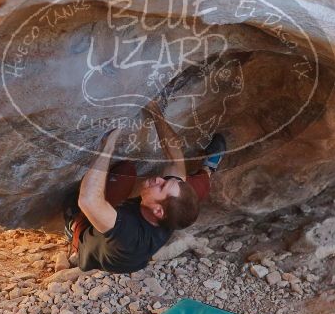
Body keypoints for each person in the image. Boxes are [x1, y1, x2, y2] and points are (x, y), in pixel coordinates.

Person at [63, 101, 226, 274]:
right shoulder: (173, 211)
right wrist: (154, 109)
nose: (158, 179)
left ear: (158, 211)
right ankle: (208, 170)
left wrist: (108, 146)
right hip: (138, 226)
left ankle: (73, 234)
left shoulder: (130, 235)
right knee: (195, 186)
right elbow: (175, 156)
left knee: (119, 175)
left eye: (162, 186)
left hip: (99, 249)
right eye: (166, 181)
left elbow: (88, 200)